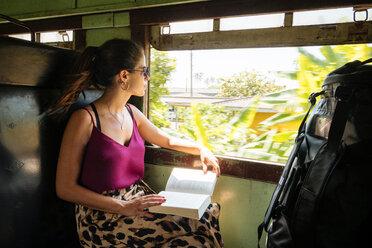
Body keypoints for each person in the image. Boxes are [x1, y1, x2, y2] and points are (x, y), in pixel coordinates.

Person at [50, 38, 223, 248]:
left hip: (136, 202)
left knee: (204, 217)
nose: (148, 78)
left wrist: (200, 148)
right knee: (197, 229)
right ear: (124, 76)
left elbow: (165, 139)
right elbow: (65, 188)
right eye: (145, 71)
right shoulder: (85, 119)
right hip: (102, 218)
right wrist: (122, 206)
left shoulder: (132, 113)